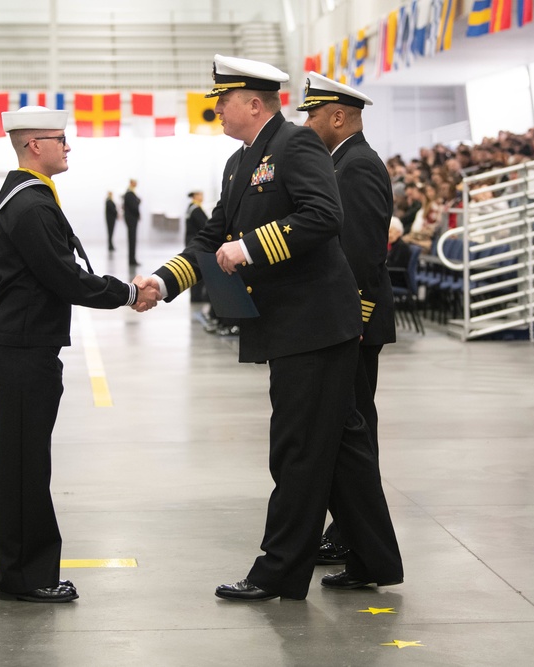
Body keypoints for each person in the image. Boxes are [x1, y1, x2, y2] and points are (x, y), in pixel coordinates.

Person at [141, 54, 400, 601]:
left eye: (223, 99)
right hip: (293, 327)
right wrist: (164, 283)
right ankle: (374, 557)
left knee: (297, 449)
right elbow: (211, 239)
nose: (216, 109)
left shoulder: (296, 144)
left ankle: (278, 571)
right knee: (342, 448)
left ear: (253, 103)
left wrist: (251, 247)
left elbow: (324, 216)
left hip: (315, 326)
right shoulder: (240, 164)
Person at [0, 106, 159, 604]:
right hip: (23, 348)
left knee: (22, 462)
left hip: (22, 343)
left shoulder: (27, 195)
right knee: (25, 465)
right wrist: (128, 293)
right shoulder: (32, 204)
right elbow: (65, 276)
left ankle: (15, 570)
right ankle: (27, 576)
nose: (68, 146)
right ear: (34, 145)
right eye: (60, 138)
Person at [298, 71, 402, 576]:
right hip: (343, 320)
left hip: (353, 323)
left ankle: (353, 538)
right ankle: (346, 533)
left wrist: (351, 320)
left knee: (355, 428)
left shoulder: (355, 167)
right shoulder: (341, 162)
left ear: (338, 117)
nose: (307, 123)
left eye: (313, 114)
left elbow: (361, 255)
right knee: (347, 428)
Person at [184, 191, 210, 304]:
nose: (202, 196)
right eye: (200, 194)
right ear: (195, 196)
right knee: (198, 268)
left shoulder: (191, 207)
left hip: (191, 240)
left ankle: (196, 295)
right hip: (196, 241)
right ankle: (197, 296)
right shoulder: (195, 209)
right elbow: (206, 224)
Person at [122, 179, 141, 266]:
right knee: (132, 240)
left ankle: (132, 259)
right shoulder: (130, 193)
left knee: (132, 240)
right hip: (131, 219)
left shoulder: (130, 193)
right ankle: (132, 260)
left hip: (131, 219)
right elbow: (134, 206)